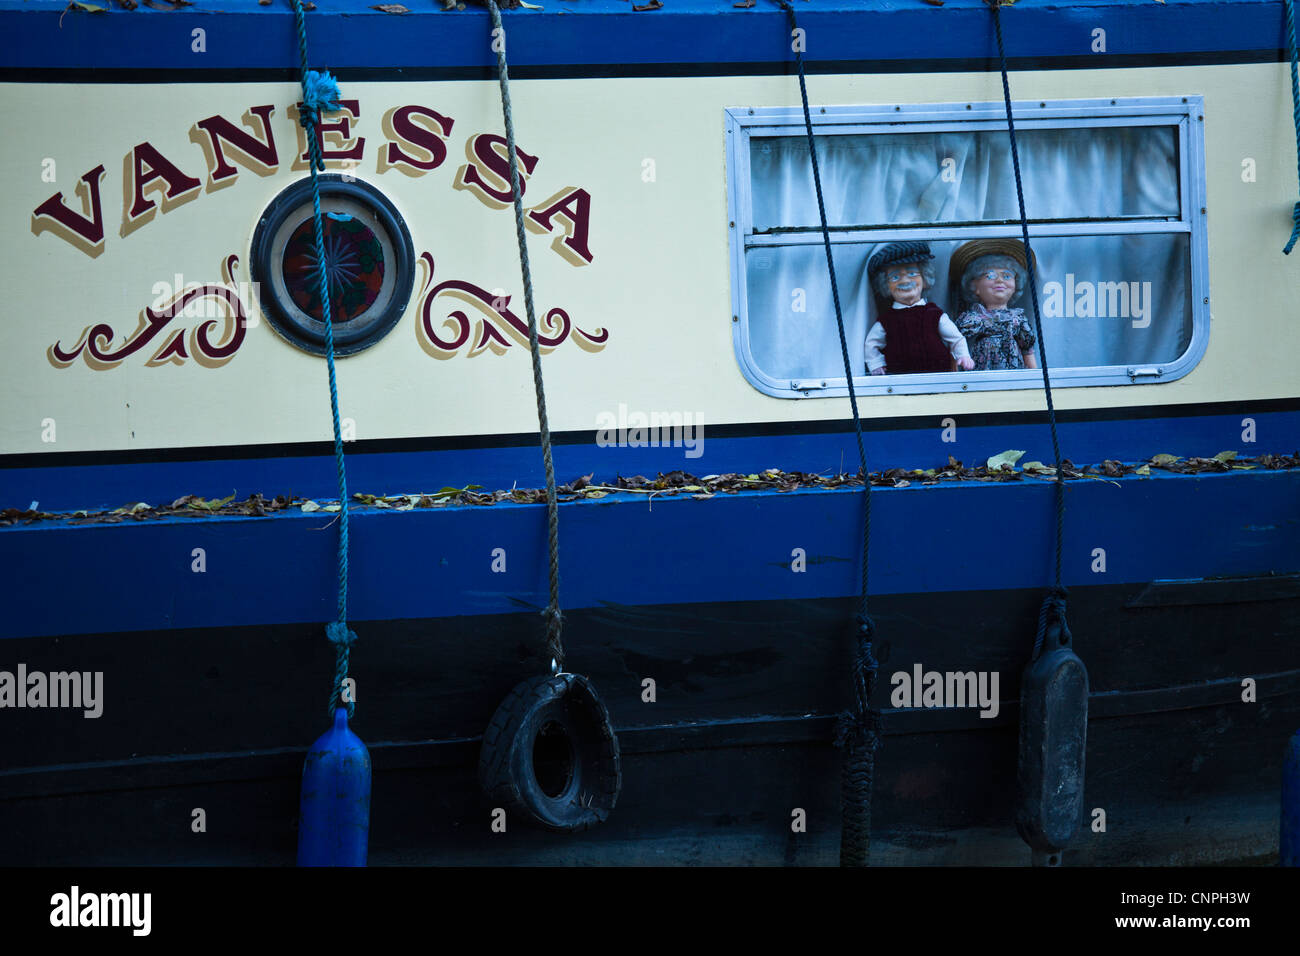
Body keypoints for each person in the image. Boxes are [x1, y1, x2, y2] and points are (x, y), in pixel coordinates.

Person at [864, 241, 973, 375]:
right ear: (886, 285)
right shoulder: (886, 321)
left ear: (925, 278)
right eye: (895, 277)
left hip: (938, 375)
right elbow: (871, 344)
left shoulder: (934, 314)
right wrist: (876, 364)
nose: (904, 281)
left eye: (912, 274)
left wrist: (963, 356)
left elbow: (956, 338)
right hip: (900, 379)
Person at [949, 238, 1040, 371]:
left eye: (1007, 276)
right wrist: (954, 377)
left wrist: (1035, 380)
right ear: (975, 287)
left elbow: (1028, 352)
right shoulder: (972, 319)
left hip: (1013, 379)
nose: (999, 280)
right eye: (990, 276)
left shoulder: (1018, 320)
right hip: (981, 380)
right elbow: (956, 348)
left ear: (1016, 285)